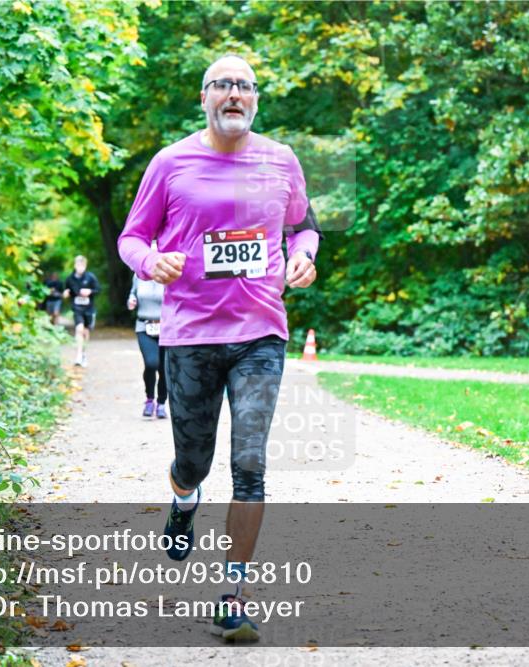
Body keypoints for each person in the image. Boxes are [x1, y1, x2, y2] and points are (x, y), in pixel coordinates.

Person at [117, 53, 320, 641]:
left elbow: (303, 227)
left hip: (260, 334)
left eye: (245, 86)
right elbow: (132, 237)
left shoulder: (281, 160)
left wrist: (305, 255)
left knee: (250, 465)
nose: (234, 93)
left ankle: (232, 595)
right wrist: (151, 261)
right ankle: (184, 499)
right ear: (204, 97)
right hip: (191, 336)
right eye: (222, 85)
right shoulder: (171, 162)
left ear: (255, 99)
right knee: (193, 462)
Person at [127, 268, 168, 419]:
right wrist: (131, 300)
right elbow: (132, 293)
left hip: (165, 328)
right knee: (151, 363)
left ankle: (161, 402)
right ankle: (149, 399)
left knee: (164, 368)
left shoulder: (167, 274)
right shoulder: (138, 275)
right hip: (144, 326)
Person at [63, 255, 100, 367]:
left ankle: (83, 353)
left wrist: (90, 291)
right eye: (78, 265)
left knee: (85, 332)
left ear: (85, 266)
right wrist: (65, 294)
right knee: (79, 329)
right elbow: (67, 291)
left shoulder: (90, 277)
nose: (80, 267)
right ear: (75, 265)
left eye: (82, 265)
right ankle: (78, 355)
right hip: (77, 309)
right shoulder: (70, 279)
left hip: (89, 309)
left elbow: (98, 290)